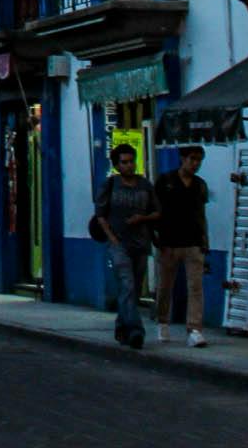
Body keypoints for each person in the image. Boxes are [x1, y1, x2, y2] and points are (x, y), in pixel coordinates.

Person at [91, 144, 160, 349]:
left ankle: (122, 327)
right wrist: (112, 238)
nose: (129, 165)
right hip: (119, 244)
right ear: (117, 165)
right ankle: (136, 330)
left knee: (134, 289)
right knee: (127, 284)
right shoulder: (110, 185)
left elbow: (157, 212)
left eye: (131, 161)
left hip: (140, 244)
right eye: (124, 162)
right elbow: (100, 216)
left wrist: (142, 218)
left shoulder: (145, 185)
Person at [151, 145, 211, 347]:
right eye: (192, 159)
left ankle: (194, 329)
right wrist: (156, 236)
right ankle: (162, 321)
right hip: (169, 242)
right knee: (165, 286)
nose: (196, 164)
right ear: (182, 158)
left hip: (193, 242)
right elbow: (155, 209)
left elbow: (201, 214)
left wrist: (205, 240)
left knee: (196, 287)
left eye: (199, 160)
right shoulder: (165, 181)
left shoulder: (200, 185)